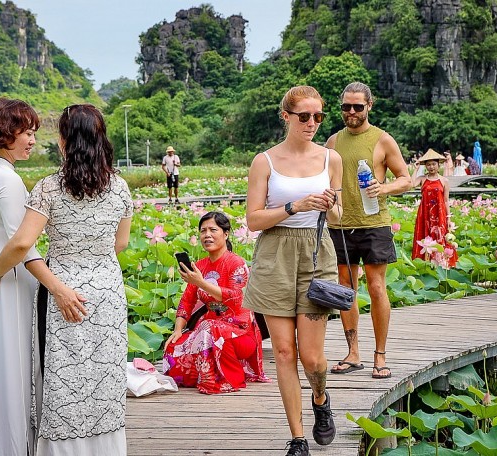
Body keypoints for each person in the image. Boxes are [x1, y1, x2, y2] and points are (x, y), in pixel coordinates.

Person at [0, 104, 133, 456]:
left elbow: (21, 243)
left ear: (65, 142)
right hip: (107, 287)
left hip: (62, 287)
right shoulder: (120, 187)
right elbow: (121, 243)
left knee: (64, 377)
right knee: (103, 374)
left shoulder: (49, 188)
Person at [243, 85, 342, 454]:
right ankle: (297, 437)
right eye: (304, 116)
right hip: (275, 254)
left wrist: (329, 203)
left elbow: (339, 215)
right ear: (286, 116)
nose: (312, 123)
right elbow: (253, 219)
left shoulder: (331, 159)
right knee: (284, 352)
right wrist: (294, 206)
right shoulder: (264, 161)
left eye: (318, 116)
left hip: (317, 254)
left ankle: (320, 398)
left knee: (312, 358)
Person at [0, 97, 53, 454]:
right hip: (11, 283)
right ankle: (18, 446)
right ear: (6, 133)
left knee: (1, 363)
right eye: (26, 131)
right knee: (18, 367)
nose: (32, 140)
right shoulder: (8, 181)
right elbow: (22, 246)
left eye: (34, 132)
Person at [325, 82, 411, 380]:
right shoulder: (333, 141)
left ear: (369, 106)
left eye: (357, 107)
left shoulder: (383, 140)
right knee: (345, 289)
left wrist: (382, 187)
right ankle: (353, 353)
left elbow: (406, 180)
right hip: (340, 224)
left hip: (374, 223)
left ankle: (380, 354)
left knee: (376, 287)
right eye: (346, 107)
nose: (351, 112)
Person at [164, 211, 269, 394]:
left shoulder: (236, 263)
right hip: (209, 330)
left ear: (226, 233)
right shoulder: (201, 266)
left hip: (240, 333)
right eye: (203, 231)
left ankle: (224, 378)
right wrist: (178, 329)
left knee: (210, 327)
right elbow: (187, 301)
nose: (207, 235)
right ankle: (199, 374)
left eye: (213, 230)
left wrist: (202, 283)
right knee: (174, 345)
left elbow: (237, 300)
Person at [411, 149, 457, 268]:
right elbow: (411, 184)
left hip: (439, 214)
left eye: (433, 164)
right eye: (428, 164)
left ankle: (441, 263)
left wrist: (448, 218)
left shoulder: (444, 181)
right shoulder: (422, 179)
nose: (431, 167)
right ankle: (425, 264)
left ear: (438, 164)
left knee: (440, 236)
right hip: (424, 214)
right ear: (425, 166)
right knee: (424, 237)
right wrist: (416, 169)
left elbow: (446, 201)